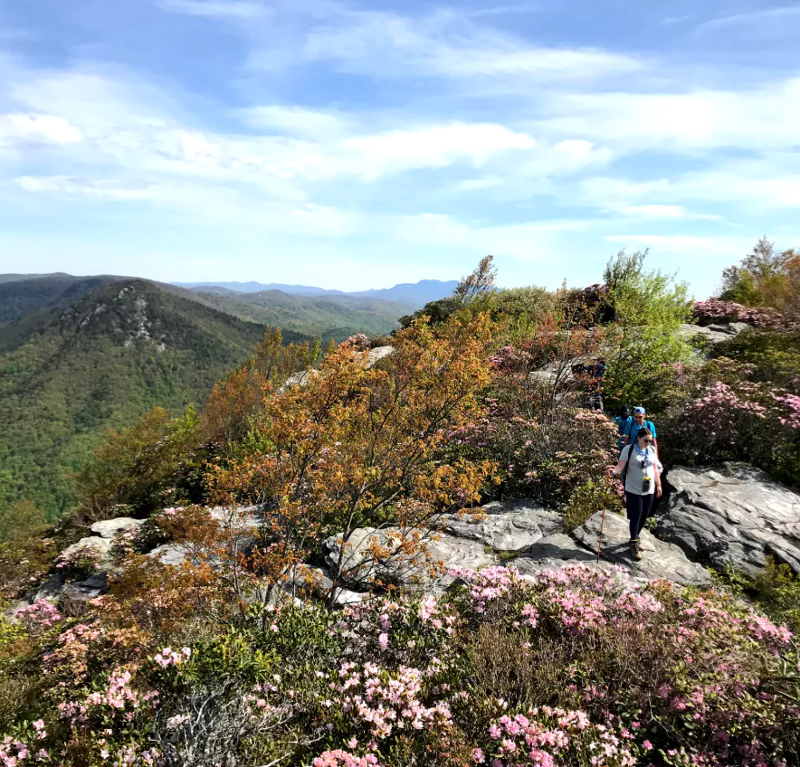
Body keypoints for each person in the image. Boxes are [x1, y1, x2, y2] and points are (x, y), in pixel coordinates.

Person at [612, 427, 662, 560]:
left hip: (649, 488)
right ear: (639, 438)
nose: (648, 443)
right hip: (633, 488)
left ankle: (635, 537)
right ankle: (633, 544)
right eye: (646, 441)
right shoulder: (629, 450)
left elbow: (655, 468)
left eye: (650, 441)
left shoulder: (651, 450)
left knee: (644, 515)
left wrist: (659, 485)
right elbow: (620, 466)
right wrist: (612, 472)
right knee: (636, 515)